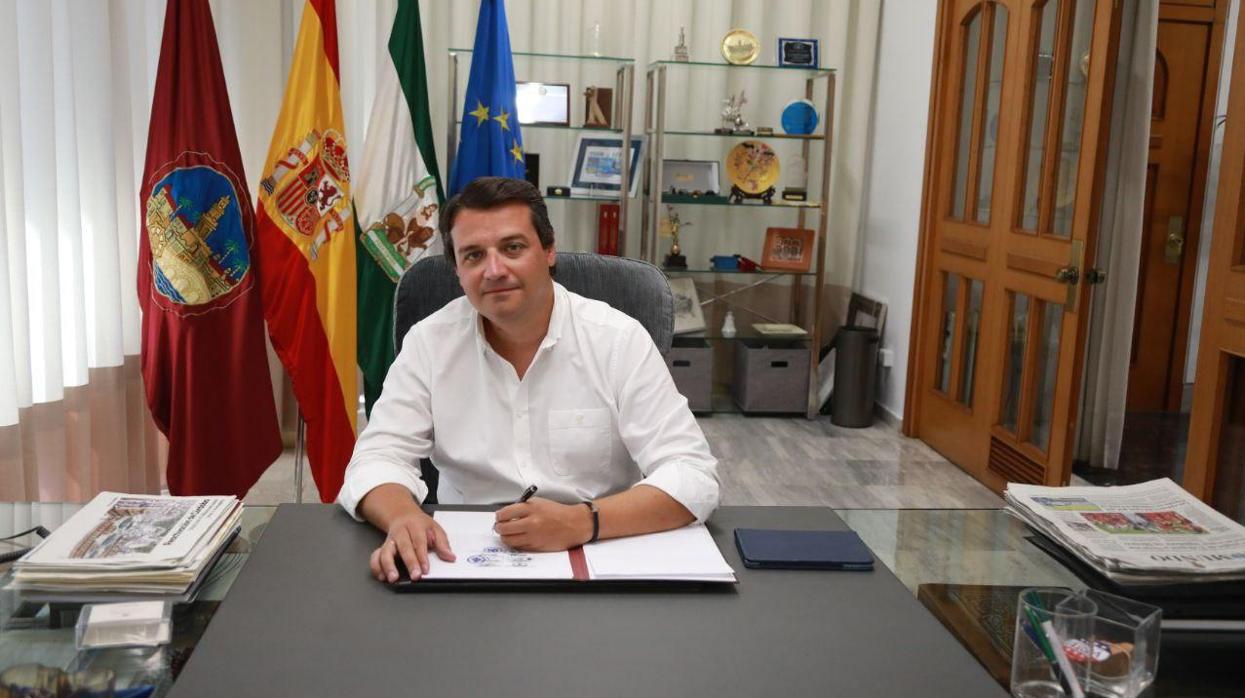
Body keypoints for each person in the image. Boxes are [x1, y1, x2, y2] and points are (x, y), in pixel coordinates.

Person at [338, 177, 720, 583]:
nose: (494, 270)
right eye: (473, 255)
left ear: (549, 250)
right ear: (458, 270)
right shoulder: (430, 342)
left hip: (599, 553)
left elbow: (692, 473)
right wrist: (402, 516)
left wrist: (582, 521)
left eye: (513, 248)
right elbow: (378, 458)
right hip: (463, 559)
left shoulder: (617, 340)